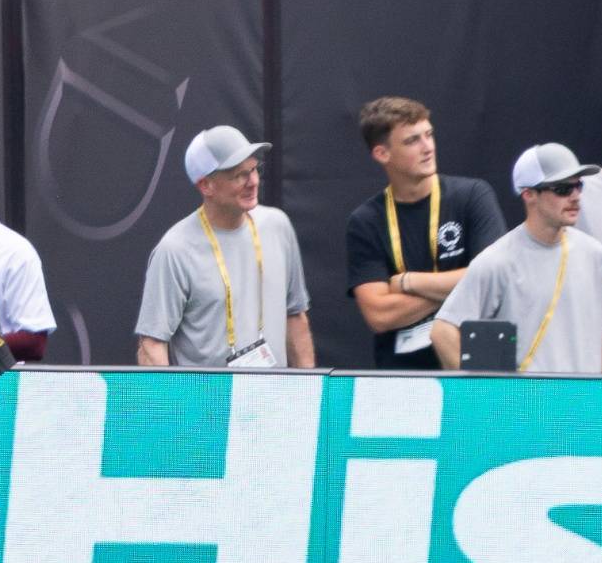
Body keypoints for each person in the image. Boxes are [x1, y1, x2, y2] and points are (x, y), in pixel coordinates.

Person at [346, 94, 506, 370]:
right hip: (405, 376)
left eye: (429, 135)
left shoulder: (473, 195)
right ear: (382, 154)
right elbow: (379, 315)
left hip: (478, 364)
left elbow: (492, 278)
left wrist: (409, 282)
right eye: (412, 140)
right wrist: (459, 286)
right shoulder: (366, 221)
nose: (427, 147)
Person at [135, 125, 314, 369]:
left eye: (254, 169)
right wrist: (169, 395)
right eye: (239, 175)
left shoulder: (277, 225)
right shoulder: (174, 249)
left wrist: (310, 388)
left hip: (273, 393)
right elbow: (152, 345)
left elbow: (295, 316)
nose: (253, 182)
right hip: (207, 395)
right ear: (206, 185)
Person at [432, 144, 602, 376]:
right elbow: (442, 331)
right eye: (562, 189)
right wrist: (484, 392)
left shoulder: (596, 255)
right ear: (529, 194)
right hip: (526, 399)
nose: (575, 196)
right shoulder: (497, 260)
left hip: (582, 399)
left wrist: (600, 391)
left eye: (578, 185)